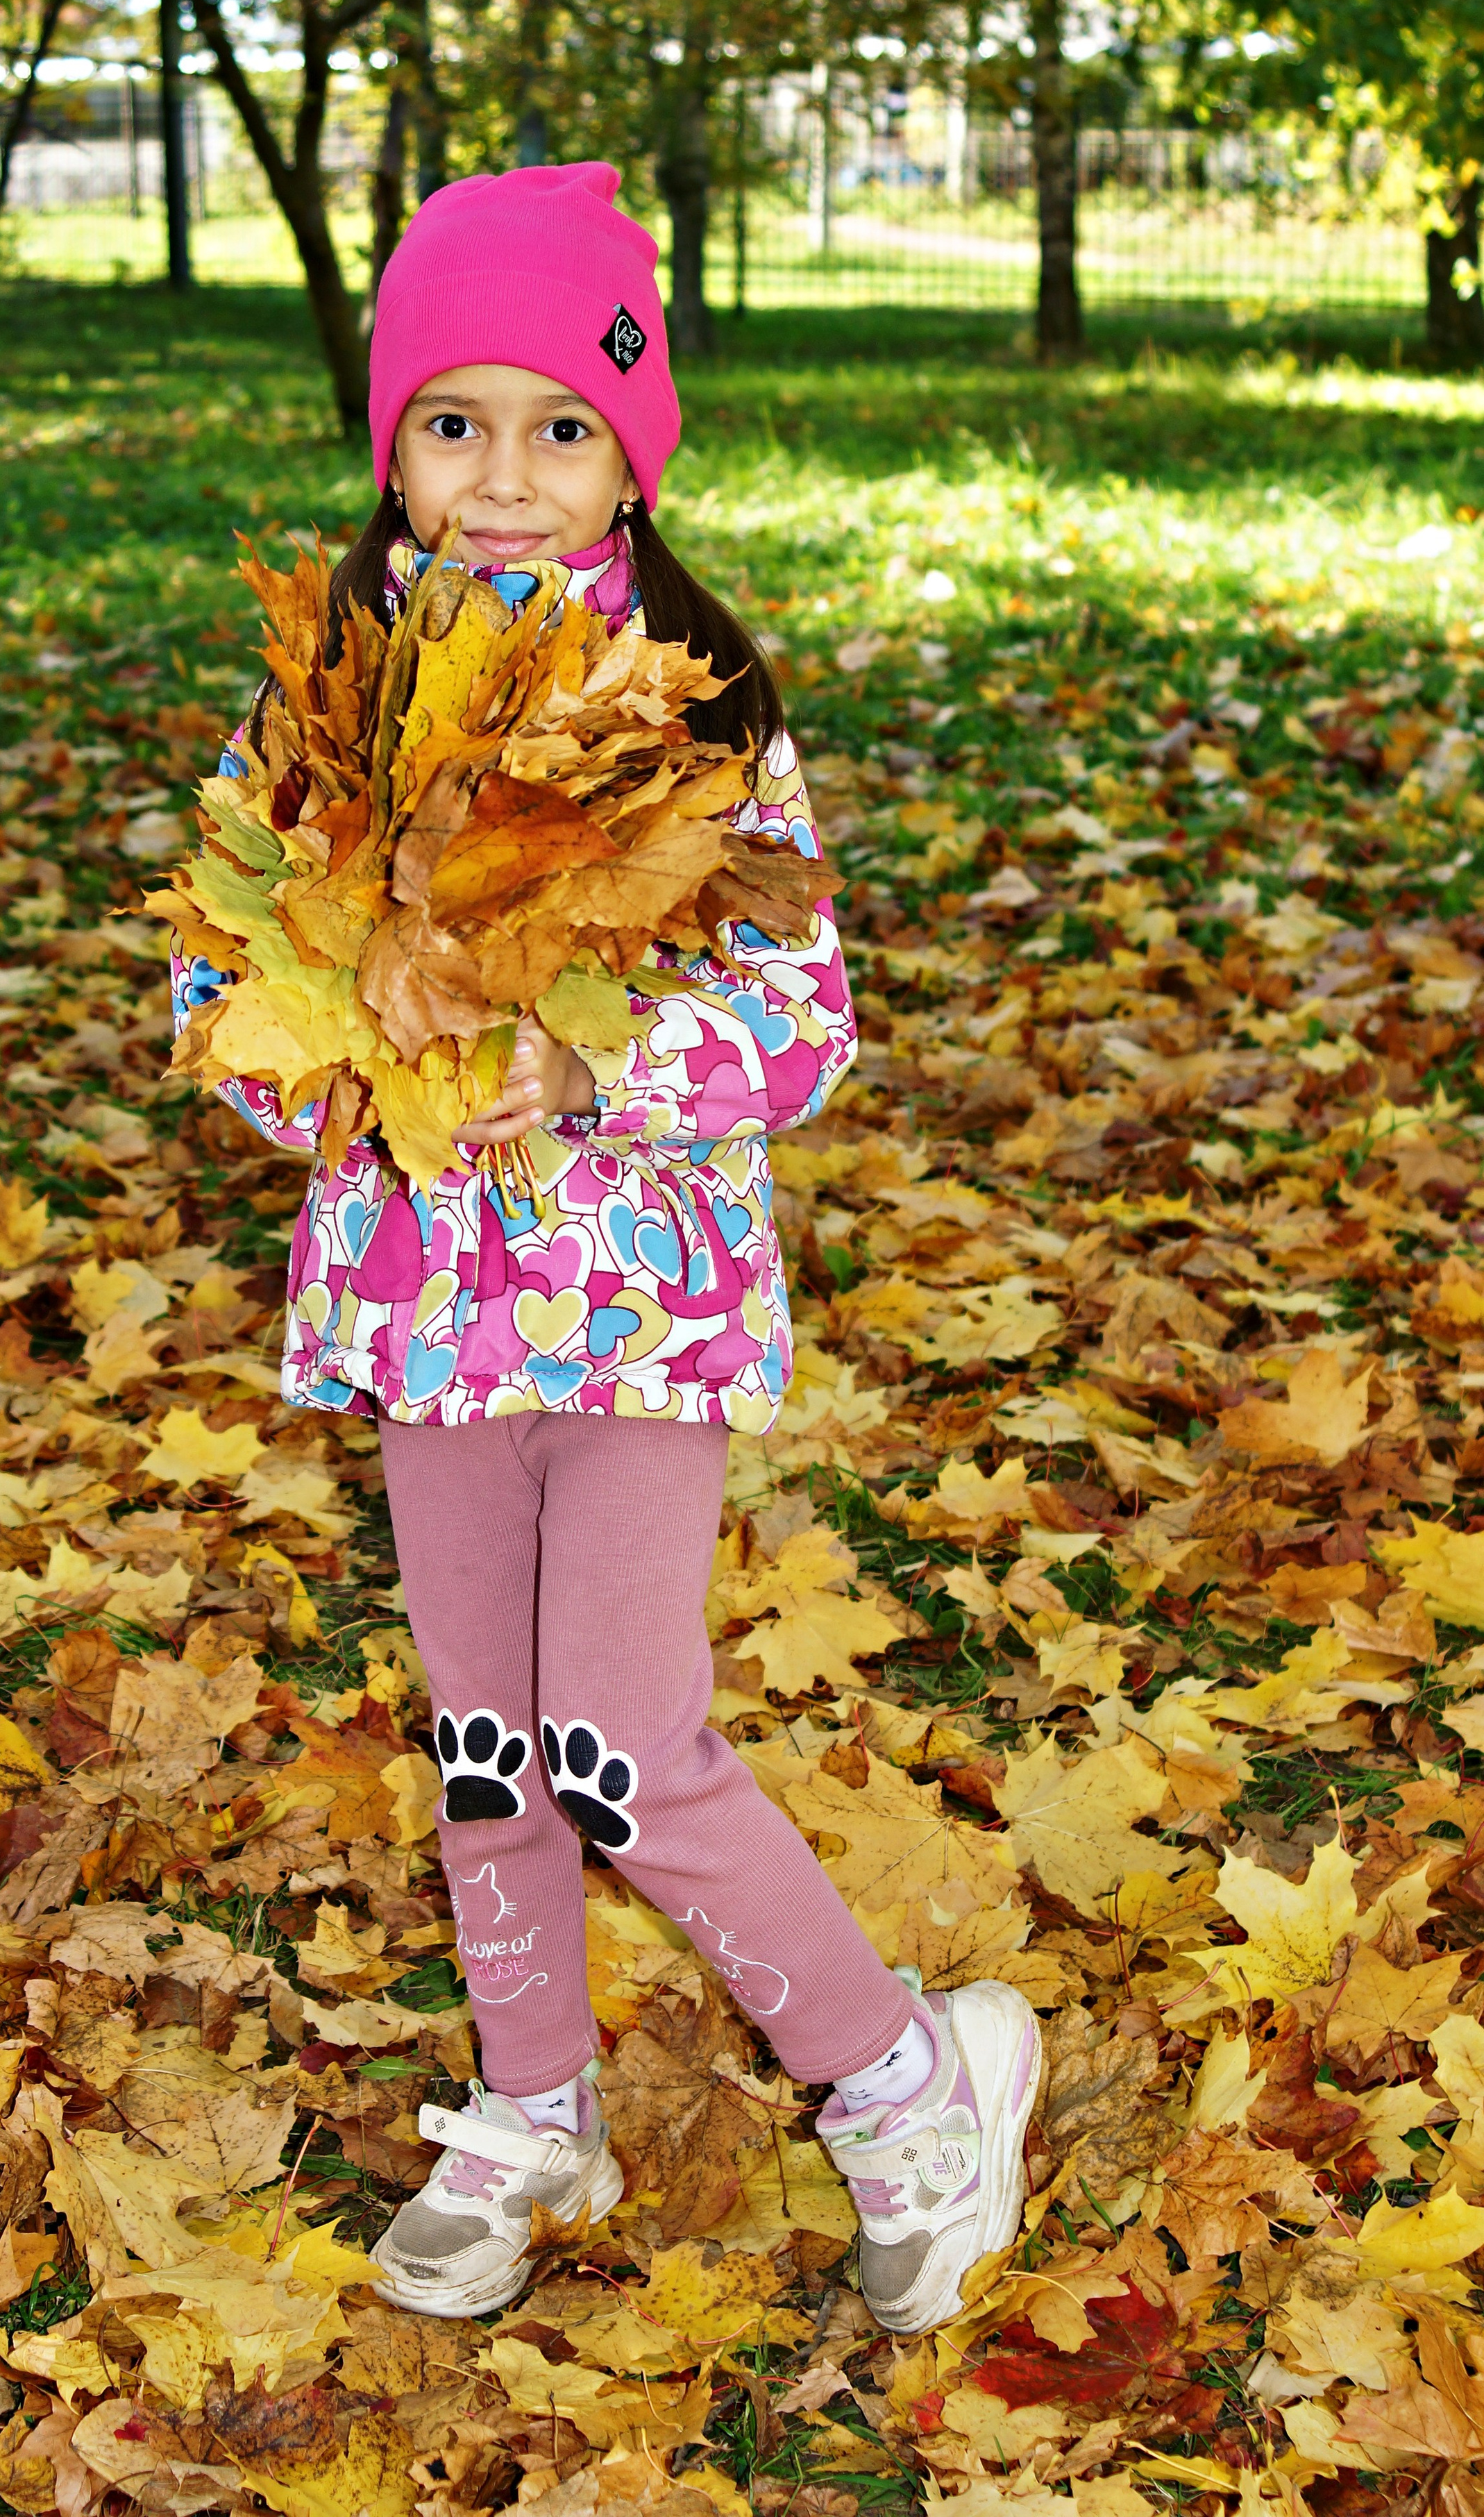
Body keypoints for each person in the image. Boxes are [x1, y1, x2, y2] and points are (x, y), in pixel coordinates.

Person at [171, 162, 1038, 2332]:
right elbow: (224, 995)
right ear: (390, 441)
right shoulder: (328, 710)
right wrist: (336, 1064)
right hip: (417, 1310)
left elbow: (802, 1018)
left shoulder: (699, 719)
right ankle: (534, 2102)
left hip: (636, 1306)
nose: (504, 476)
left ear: (633, 446)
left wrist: (595, 1071)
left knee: (621, 1745)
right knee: (488, 1742)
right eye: (451, 421)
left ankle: (908, 2081)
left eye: (561, 423)